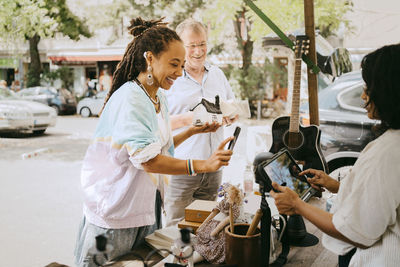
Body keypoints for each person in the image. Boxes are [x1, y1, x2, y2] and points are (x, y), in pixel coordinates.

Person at [74, 17, 234, 267]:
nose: (180, 73)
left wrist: (193, 131)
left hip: (144, 210)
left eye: (182, 65)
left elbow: (160, 147)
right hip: (114, 214)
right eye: (174, 64)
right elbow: (148, 161)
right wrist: (204, 164)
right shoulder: (131, 98)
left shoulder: (157, 95)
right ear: (150, 58)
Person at [270, 44, 400, 267]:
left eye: (368, 87)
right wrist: (338, 186)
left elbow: (354, 231)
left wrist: (298, 205)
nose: (362, 95)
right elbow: (386, 196)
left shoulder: (389, 151)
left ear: (387, 91)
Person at [164, 19, 237, 227]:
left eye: (202, 44)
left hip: (214, 167)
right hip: (180, 168)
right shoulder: (169, 78)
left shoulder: (217, 74)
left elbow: (228, 105)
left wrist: (230, 116)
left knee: (206, 226)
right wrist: (189, 119)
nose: (198, 51)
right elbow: (156, 125)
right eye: (192, 46)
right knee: (175, 228)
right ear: (179, 46)